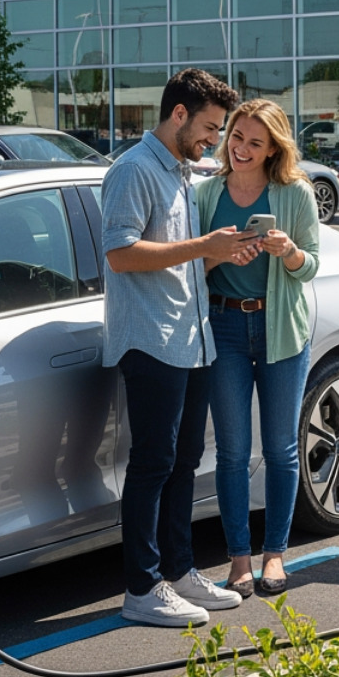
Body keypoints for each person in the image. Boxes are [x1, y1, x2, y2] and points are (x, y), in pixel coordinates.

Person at [101, 68, 247, 627]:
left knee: (185, 461)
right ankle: (142, 587)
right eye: (210, 127)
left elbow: (178, 258)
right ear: (179, 114)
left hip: (191, 338)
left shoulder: (180, 172)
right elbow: (120, 253)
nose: (215, 140)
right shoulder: (133, 170)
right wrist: (202, 245)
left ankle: (179, 572)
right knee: (153, 464)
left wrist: (221, 254)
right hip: (151, 340)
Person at [195, 99, 321, 600]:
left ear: (274, 149)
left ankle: (275, 555)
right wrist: (217, 253)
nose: (241, 149)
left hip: (281, 330)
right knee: (230, 451)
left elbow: (310, 265)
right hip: (223, 325)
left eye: (255, 142)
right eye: (236, 138)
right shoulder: (205, 193)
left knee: (281, 449)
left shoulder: (295, 194)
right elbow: (189, 269)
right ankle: (239, 560)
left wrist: (288, 251)